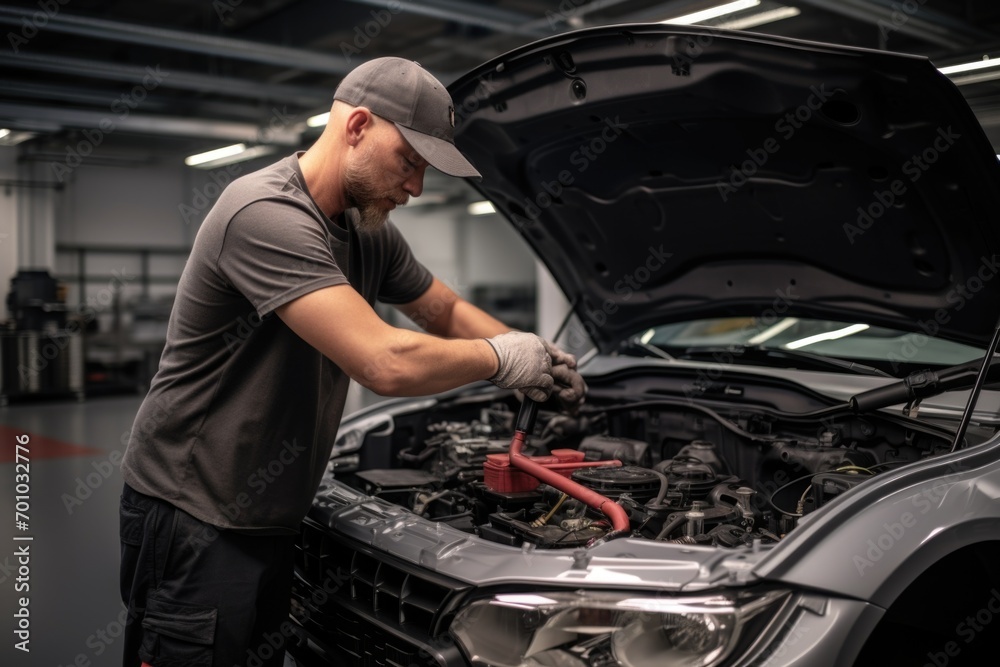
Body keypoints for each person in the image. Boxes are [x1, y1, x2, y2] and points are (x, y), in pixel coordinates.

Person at [118, 57, 586, 667]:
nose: (415, 188)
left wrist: (538, 357)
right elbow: (383, 361)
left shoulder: (368, 231)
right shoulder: (264, 213)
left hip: (273, 512)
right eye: (410, 162)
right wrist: (501, 359)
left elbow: (442, 311)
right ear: (358, 125)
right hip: (195, 512)